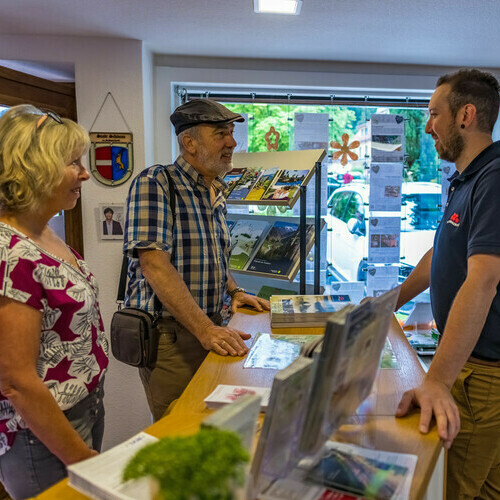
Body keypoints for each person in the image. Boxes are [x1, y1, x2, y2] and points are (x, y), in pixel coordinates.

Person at [124, 99, 270, 421]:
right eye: (221, 134)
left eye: (231, 133)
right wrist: (205, 329)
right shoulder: (156, 184)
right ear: (188, 143)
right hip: (172, 340)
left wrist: (234, 291)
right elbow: (155, 266)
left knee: (218, 426)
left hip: (214, 329)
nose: (232, 142)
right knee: (181, 430)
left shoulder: (215, 189)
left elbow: (212, 255)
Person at [395, 69, 500, 499]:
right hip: (473, 369)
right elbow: (440, 255)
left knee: (451, 490)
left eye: (434, 113)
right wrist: (386, 304)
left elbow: (484, 279)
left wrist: (436, 380)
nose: (428, 126)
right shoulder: (467, 179)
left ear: (466, 115)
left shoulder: (494, 179)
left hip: (481, 376)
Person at [0, 105, 109, 498]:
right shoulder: (9, 251)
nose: (84, 173)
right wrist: (80, 456)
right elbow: (16, 382)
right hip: (41, 436)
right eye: (72, 163)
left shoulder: (44, 232)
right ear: (35, 168)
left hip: (81, 409)